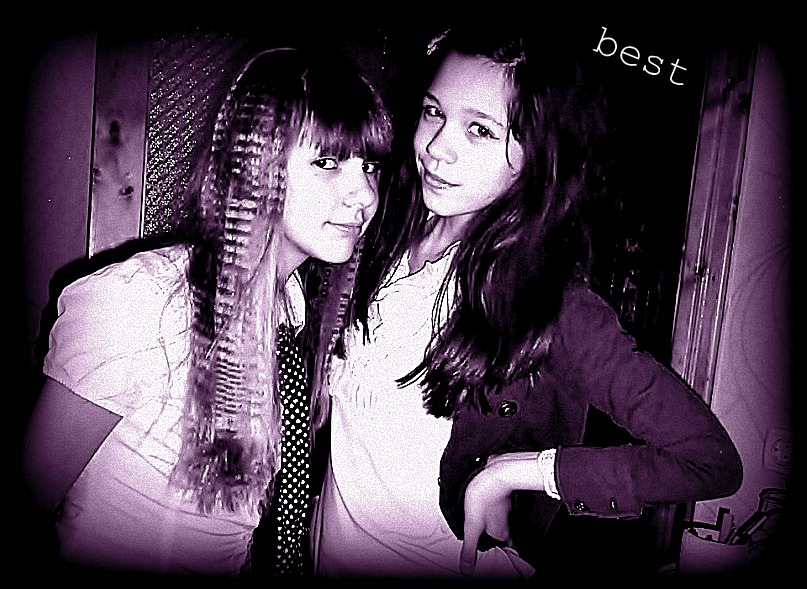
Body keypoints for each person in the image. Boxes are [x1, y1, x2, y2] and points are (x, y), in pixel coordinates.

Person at [310, 23, 743, 580]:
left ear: (538, 153)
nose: (438, 148)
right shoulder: (375, 230)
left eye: (481, 130)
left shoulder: (553, 304)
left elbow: (708, 459)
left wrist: (514, 472)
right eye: (434, 112)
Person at [22, 45, 392, 578]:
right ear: (255, 165)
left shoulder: (295, 307)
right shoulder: (142, 302)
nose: (364, 196)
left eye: (370, 166)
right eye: (327, 162)